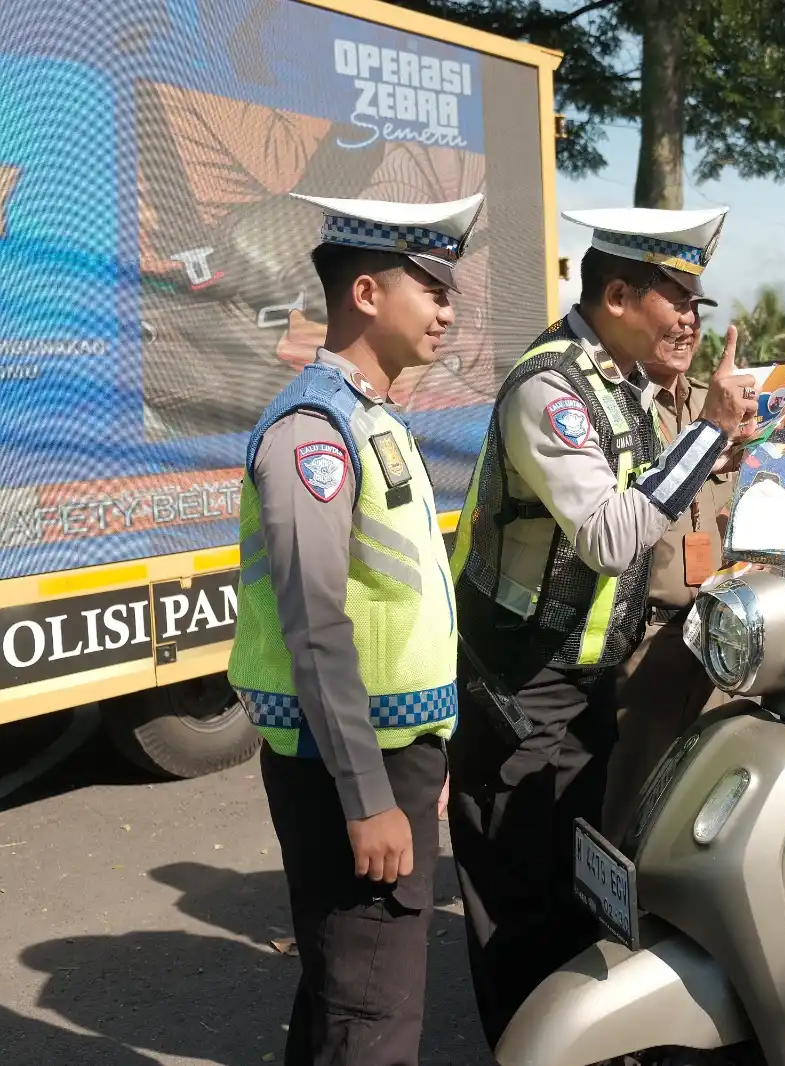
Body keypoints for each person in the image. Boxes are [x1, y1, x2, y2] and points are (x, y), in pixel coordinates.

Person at [446, 206, 758, 1045]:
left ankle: (574, 1042)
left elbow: (650, 496)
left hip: (582, 679)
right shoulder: (550, 387)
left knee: (577, 881)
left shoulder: (618, 381)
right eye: (676, 299)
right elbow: (612, 535)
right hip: (518, 680)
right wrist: (708, 431)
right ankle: (524, 1046)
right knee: (514, 895)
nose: (690, 318)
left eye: (695, 303)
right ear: (617, 296)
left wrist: (714, 449)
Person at [226, 192, 481, 1065]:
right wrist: (370, 796)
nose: (448, 311)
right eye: (431, 289)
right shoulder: (315, 429)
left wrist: (430, 745)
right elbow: (318, 627)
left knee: (348, 995)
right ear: (367, 294)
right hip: (346, 764)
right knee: (371, 1018)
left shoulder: (371, 415)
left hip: (387, 752)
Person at [601, 319, 741, 846]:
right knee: (632, 802)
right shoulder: (616, 408)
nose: (685, 327)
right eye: (672, 309)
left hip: (719, 635)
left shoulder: (718, 405)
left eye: (693, 313)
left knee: (707, 797)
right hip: (646, 638)